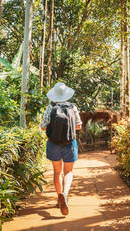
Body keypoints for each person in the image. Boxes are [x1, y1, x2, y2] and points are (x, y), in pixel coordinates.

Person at [40, 82, 82, 216]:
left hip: (53, 144)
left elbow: (43, 127)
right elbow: (79, 126)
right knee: (68, 172)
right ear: (66, 94)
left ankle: (59, 198)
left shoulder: (50, 107)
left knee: (57, 172)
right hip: (69, 143)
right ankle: (65, 194)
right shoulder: (73, 107)